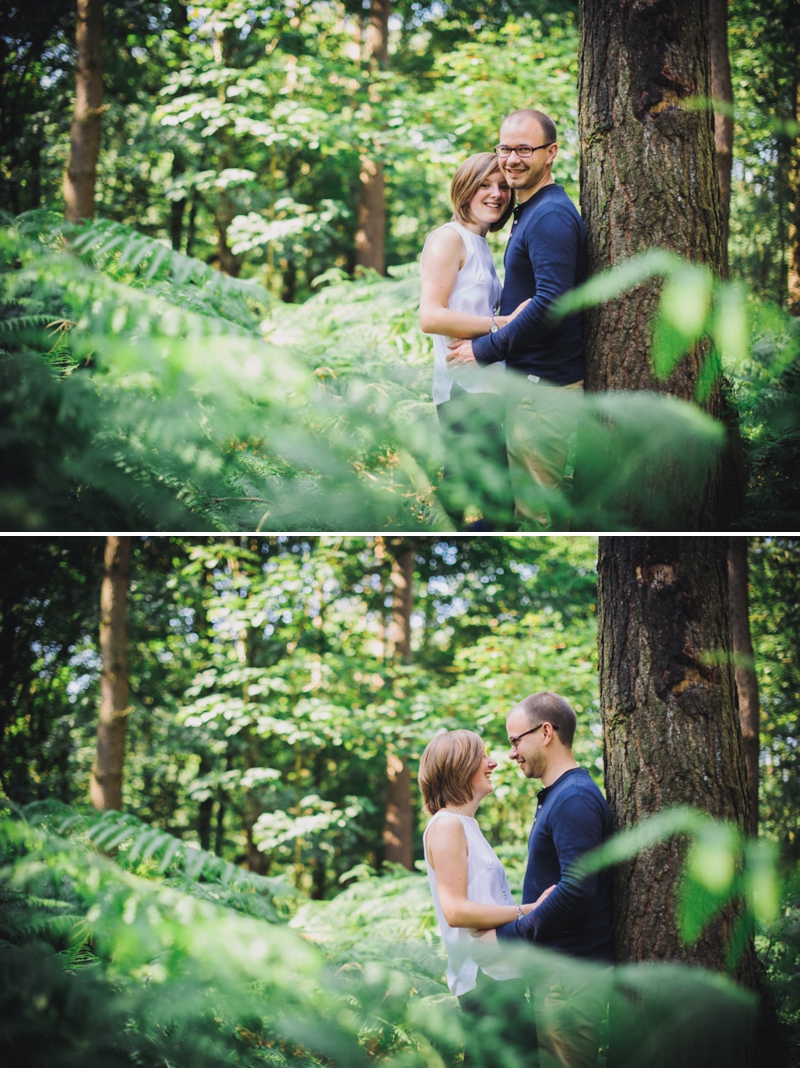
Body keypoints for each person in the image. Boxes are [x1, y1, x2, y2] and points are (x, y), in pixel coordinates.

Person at [446, 109, 588, 529]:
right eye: (505, 148)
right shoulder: (531, 211)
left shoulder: (550, 217)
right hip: (530, 386)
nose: (512, 159)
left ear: (551, 153)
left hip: (543, 391)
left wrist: (483, 349)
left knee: (536, 514)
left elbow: (550, 304)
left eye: (525, 149)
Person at [480, 692, 614, 1068]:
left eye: (515, 740)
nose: (511, 753)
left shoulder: (573, 798)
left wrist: (510, 937)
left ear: (546, 732)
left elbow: (576, 889)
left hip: (571, 975)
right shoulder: (561, 795)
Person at [418, 729, 554, 1064]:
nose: (493, 762)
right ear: (460, 766)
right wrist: (530, 910)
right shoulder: (447, 825)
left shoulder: (466, 825)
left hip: (496, 975)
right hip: (483, 979)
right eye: (483, 757)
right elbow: (456, 911)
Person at [419, 152, 528, 530]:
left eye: (502, 186)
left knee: (462, 493)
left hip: (486, 389)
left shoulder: (479, 243)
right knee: (501, 511)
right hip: (463, 391)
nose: (496, 194)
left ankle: (433, 530)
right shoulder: (447, 240)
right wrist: (505, 323)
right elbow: (430, 316)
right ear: (464, 189)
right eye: (485, 184)